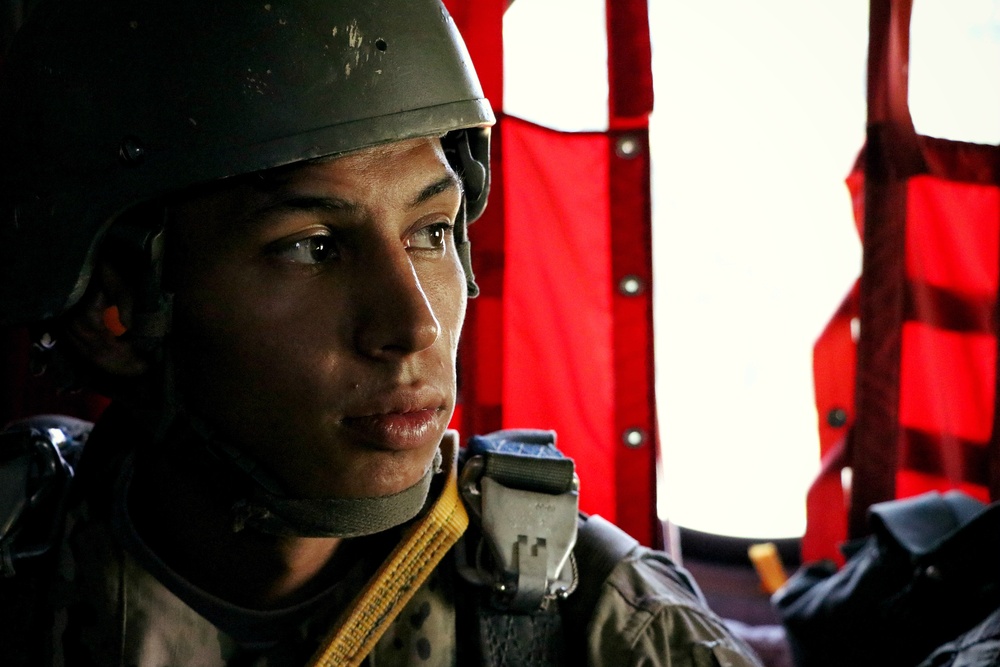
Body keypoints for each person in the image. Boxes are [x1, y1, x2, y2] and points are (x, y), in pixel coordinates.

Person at [0, 0, 765, 665]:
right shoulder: (26, 579)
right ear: (116, 313)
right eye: (311, 247)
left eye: (431, 231)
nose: (413, 326)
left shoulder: (605, 620)